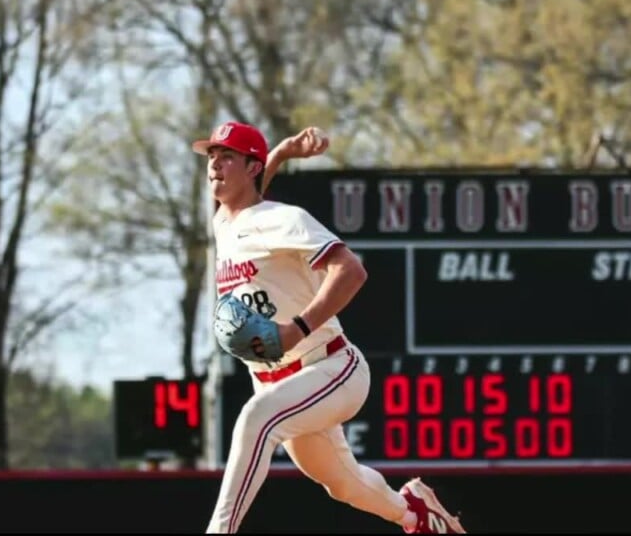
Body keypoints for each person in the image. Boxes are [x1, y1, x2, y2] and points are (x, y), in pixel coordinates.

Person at [194, 121, 466, 534]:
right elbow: (248, 207)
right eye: (212, 157)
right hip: (279, 384)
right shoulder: (225, 223)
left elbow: (351, 270)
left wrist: (297, 328)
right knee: (343, 483)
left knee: (257, 419)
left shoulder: (284, 219)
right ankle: (418, 515)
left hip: (330, 368)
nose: (215, 165)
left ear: (251, 167)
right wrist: (281, 155)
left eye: (226, 157)